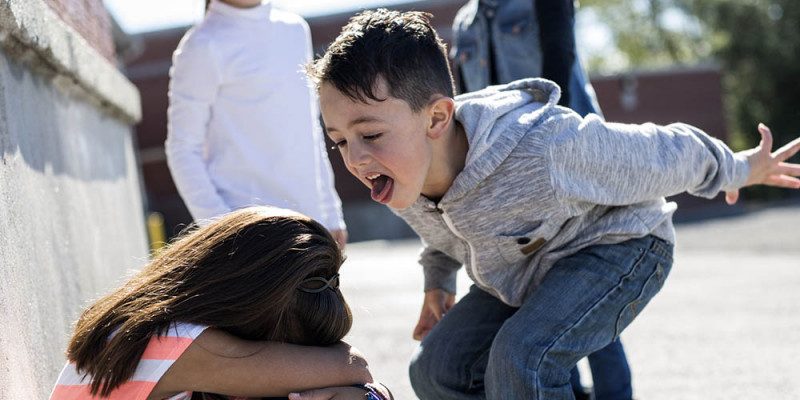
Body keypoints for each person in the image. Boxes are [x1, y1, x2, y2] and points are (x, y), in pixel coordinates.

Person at [307, 9, 800, 400]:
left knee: (524, 358)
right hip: (526, 268)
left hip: (619, 247)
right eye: (339, 141)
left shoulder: (543, 148)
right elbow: (443, 233)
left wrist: (738, 169)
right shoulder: (400, 173)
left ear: (437, 118)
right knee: (436, 371)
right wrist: (437, 283)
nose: (356, 157)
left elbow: (662, 152)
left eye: (369, 133)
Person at [451, 1, 627, 398]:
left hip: (568, 161)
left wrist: (547, 143)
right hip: (503, 176)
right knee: (535, 293)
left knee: (586, 286)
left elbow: (560, 59)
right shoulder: (465, 22)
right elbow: (465, 103)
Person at [49, 206, 392, 400]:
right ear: (247, 309)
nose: (291, 367)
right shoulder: (174, 343)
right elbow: (353, 367)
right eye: (285, 351)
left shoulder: (154, 329)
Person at [166, 0, 347, 248]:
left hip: (311, 226)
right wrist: (223, 231)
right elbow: (183, 148)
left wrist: (330, 212)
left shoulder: (294, 30)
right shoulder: (202, 45)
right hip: (250, 239)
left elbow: (309, 131)